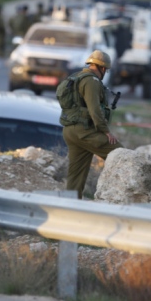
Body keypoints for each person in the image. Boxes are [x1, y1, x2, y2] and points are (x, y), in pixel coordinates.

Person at [61, 50, 123, 199]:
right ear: (102, 68)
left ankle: (70, 208)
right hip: (85, 131)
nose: (105, 73)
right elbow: (94, 109)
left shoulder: (76, 77)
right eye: (106, 70)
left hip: (70, 130)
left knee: (76, 175)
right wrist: (106, 131)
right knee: (122, 156)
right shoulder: (92, 81)